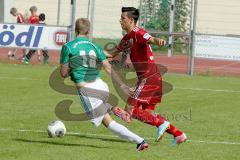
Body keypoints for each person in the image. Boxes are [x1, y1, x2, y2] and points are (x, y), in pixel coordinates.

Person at [60, 18, 149, 151]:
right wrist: (123, 86)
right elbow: (108, 68)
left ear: (75, 29)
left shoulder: (68, 47)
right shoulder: (94, 46)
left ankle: (140, 141)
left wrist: (73, 67)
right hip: (100, 84)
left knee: (108, 123)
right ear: (88, 31)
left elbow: (63, 73)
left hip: (86, 89)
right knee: (104, 106)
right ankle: (114, 108)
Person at [108, 7, 187, 145]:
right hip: (153, 77)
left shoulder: (137, 32)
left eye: (123, 18)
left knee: (129, 109)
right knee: (144, 113)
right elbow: (111, 53)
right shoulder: (127, 38)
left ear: (131, 20)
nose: (120, 21)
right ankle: (178, 134)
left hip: (148, 78)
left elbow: (150, 38)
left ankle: (163, 123)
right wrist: (93, 52)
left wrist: (158, 41)